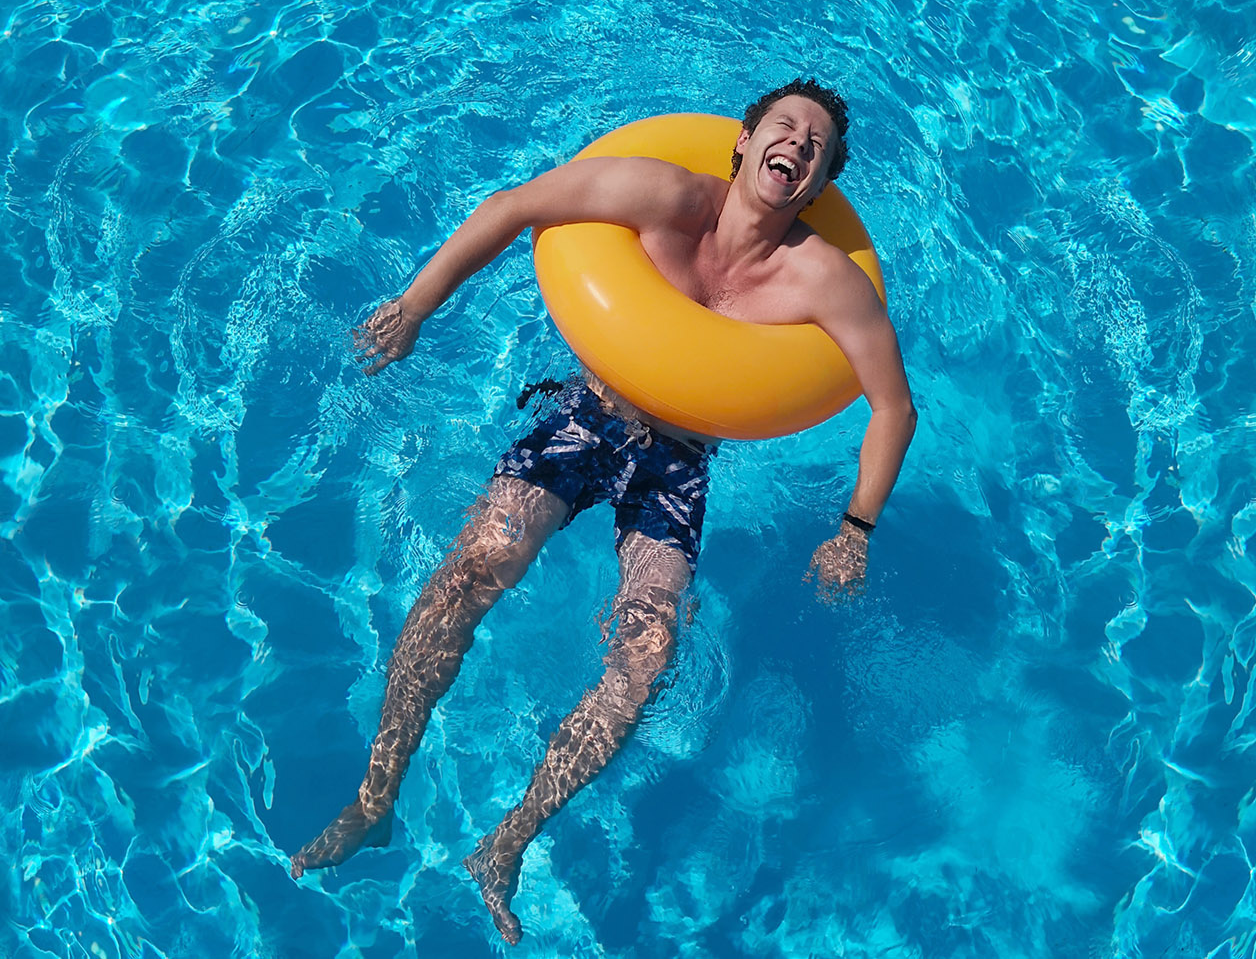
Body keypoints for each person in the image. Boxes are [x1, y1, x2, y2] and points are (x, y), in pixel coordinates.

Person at [287, 79, 916, 945]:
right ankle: (375, 797)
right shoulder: (665, 196)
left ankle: (506, 842)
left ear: (821, 182)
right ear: (744, 141)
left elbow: (894, 406)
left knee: (647, 657)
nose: (798, 146)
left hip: (680, 463)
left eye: (817, 147)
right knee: (474, 572)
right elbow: (513, 206)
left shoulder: (824, 280)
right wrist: (415, 308)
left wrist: (856, 528)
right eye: (786, 128)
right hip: (589, 415)